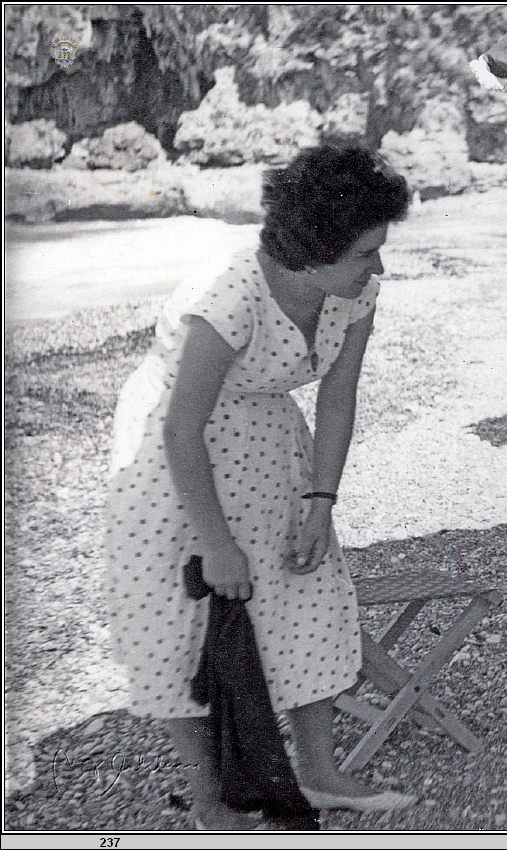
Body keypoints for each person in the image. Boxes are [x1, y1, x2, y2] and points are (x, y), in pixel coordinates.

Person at [103, 147, 414, 828]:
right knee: (180, 624)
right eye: (366, 252)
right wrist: (216, 544)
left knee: (310, 595)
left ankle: (319, 772)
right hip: (175, 452)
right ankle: (211, 800)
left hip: (269, 437)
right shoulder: (229, 295)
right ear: (310, 252)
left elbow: (338, 397)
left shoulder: (354, 291)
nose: (380, 267)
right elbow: (181, 428)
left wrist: (321, 502)